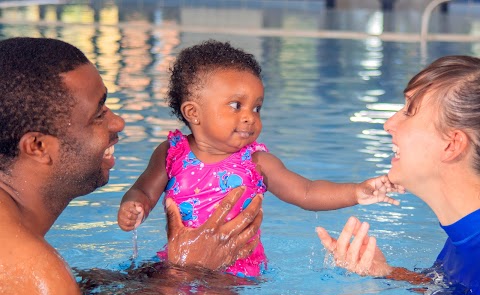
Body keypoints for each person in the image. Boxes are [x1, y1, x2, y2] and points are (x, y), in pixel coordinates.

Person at [0, 37, 264, 295]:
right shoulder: (40, 280)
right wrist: (188, 272)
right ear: (38, 147)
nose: (118, 122)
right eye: (98, 114)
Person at [117, 40, 403, 277]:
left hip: (237, 271)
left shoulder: (256, 162)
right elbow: (144, 188)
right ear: (193, 113)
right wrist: (135, 205)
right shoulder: (171, 153)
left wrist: (357, 191)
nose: (249, 117)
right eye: (235, 105)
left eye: (257, 108)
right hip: (180, 258)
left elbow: (306, 191)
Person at [316, 55, 480, 295]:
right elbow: (452, 294)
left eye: (408, 111)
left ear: (451, 145)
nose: (388, 123)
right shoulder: (464, 239)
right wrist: (386, 272)